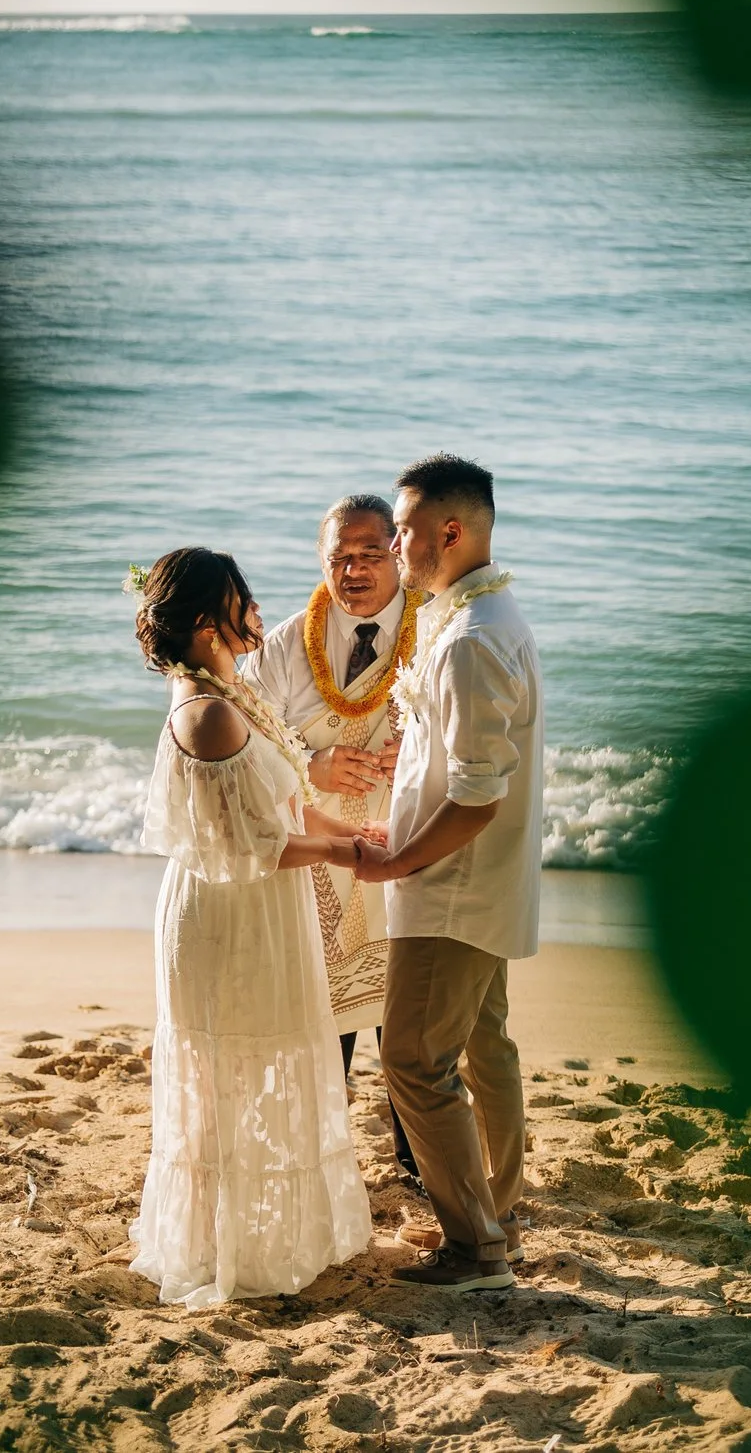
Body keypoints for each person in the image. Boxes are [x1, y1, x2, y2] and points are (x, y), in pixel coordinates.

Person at [124, 546, 375, 1306]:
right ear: (206, 623)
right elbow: (248, 847)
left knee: (272, 1061)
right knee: (223, 1078)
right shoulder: (205, 713)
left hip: (265, 905)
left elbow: (285, 801)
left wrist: (355, 831)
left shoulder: (231, 691)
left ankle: (272, 1234)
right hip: (227, 912)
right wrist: (346, 851)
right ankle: (223, 1249)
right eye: (242, 599)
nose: (258, 612)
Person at [355, 455, 543, 1293]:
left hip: (452, 888)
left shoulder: (473, 638)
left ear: (452, 532)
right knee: (482, 1042)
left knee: (411, 1058)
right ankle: (495, 1205)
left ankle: (477, 1247)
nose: (393, 544)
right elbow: (451, 762)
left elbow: (477, 797)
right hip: (472, 881)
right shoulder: (474, 614)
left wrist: (398, 856)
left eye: (403, 529)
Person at [243, 494, 423, 1181]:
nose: (353, 569)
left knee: (407, 1023)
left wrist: (421, 752)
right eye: (338, 556)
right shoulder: (290, 642)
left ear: (398, 555)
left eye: (369, 553)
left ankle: (417, 1163)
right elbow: (245, 735)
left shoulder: (431, 633)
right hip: (320, 850)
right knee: (327, 1020)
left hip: (406, 843)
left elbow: (470, 732)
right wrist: (310, 763)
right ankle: (317, 1163)